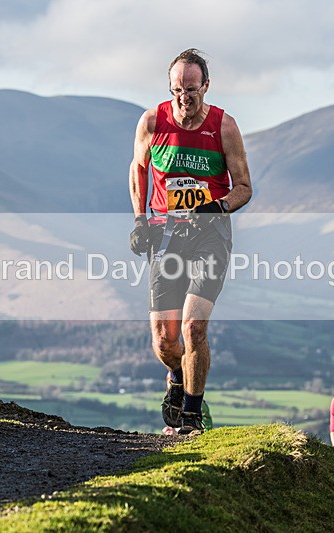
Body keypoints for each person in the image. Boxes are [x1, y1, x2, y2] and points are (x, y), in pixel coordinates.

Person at [128, 49, 252, 435]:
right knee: (165, 342)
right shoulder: (152, 121)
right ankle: (179, 379)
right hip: (166, 235)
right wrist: (139, 219)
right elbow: (139, 168)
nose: (184, 97)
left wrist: (217, 206)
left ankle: (192, 419)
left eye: (192, 89)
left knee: (193, 327)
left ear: (206, 87)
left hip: (209, 236)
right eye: (177, 89)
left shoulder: (224, 126)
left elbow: (244, 188)